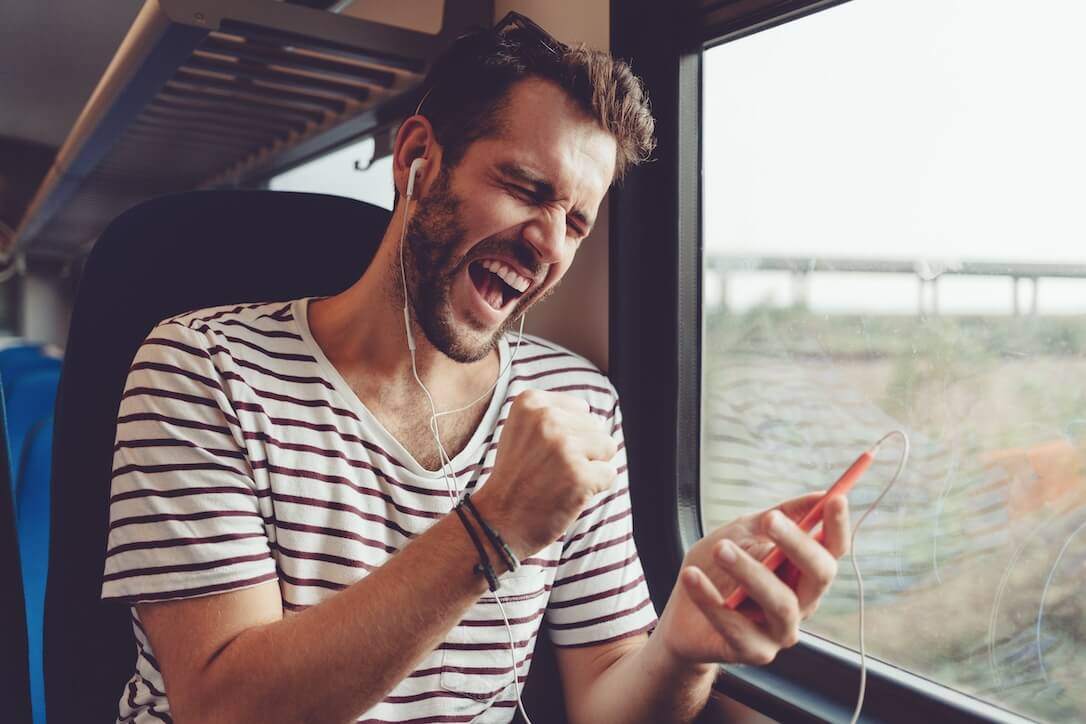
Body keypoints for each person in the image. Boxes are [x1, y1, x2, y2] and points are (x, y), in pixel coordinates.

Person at [101, 12, 850, 724]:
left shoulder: (576, 405)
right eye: (527, 188)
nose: (549, 242)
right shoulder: (202, 369)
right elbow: (224, 711)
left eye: (577, 222)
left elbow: (608, 703)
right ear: (417, 159)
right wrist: (494, 528)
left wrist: (687, 646)